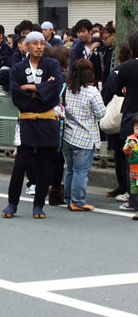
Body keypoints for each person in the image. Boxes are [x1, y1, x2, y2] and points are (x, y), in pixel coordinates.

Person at [1, 31, 64, 219]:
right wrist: (42, 90)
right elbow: (16, 93)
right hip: (27, 120)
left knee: (46, 165)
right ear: (26, 45)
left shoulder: (52, 65)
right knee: (20, 164)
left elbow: (56, 89)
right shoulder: (18, 68)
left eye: (42, 43)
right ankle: (12, 203)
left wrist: (30, 88)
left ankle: (38, 205)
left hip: (47, 121)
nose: (39, 47)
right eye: (35, 43)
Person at [61, 59, 106, 211]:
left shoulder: (67, 88)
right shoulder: (92, 91)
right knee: (81, 171)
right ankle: (78, 201)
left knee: (70, 169)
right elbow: (101, 113)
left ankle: (68, 198)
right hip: (85, 137)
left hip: (67, 134)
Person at [102, 43, 132, 201]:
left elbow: (107, 94)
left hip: (117, 117)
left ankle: (124, 187)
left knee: (121, 155)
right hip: (131, 118)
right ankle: (127, 188)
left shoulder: (117, 73)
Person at [115, 32, 138, 212]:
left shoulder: (127, 66)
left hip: (131, 112)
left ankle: (133, 198)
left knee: (131, 157)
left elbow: (117, 89)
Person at [45, 45, 71, 205]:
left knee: (43, 156)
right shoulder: (65, 79)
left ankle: (39, 187)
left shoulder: (44, 76)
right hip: (58, 122)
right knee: (57, 158)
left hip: (41, 119)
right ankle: (55, 190)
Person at [69, 18, 103, 87]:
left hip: (100, 81)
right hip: (83, 84)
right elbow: (74, 68)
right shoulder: (76, 49)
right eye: (78, 32)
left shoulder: (99, 43)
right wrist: (91, 52)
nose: (80, 35)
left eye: (83, 31)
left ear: (90, 31)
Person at [122, 114, 138, 221]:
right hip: (134, 171)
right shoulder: (131, 140)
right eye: (137, 128)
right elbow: (125, 151)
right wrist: (129, 147)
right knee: (135, 192)